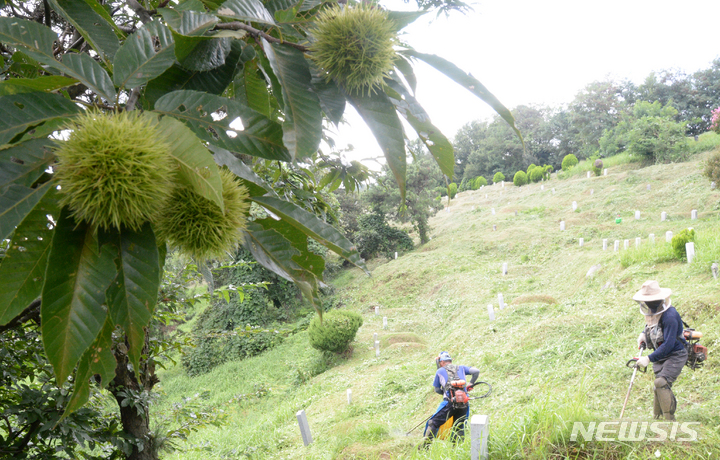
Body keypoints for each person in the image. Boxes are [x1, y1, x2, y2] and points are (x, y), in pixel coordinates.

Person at [632, 280, 688, 421]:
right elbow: (650, 323)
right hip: (661, 354)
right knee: (658, 384)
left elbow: (668, 344)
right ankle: (657, 418)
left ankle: (670, 422)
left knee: (661, 383)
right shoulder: (653, 310)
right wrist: (643, 334)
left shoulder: (670, 316)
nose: (649, 304)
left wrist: (648, 358)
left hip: (675, 354)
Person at [423, 351, 480, 444]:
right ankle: (457, 449)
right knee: (459, 426)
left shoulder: (439, 371)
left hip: (449, 403)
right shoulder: (461, 368)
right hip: (464, 402)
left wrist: (446, 393)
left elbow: (437, 389)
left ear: (441, 362)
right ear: (450, 360)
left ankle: (425, 447)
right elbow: (476, 371)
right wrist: (470, 384)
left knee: (433, 423)